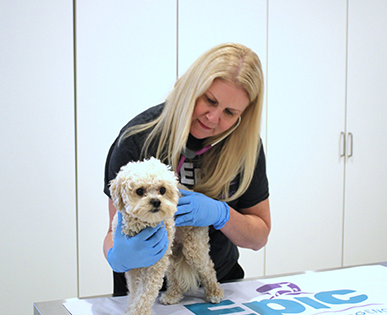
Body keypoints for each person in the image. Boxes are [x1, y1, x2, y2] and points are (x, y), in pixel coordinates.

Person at [103, 43, 271, 296]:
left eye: (229, 112)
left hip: (217, 286)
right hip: (148, 292)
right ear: (191, 87)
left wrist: (221, 214)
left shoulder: (244, 148)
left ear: (244, 115)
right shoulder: (137, 139)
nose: (212, 118)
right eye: (209, 100)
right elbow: (112, 230)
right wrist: (119, 256)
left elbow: (258, 237)